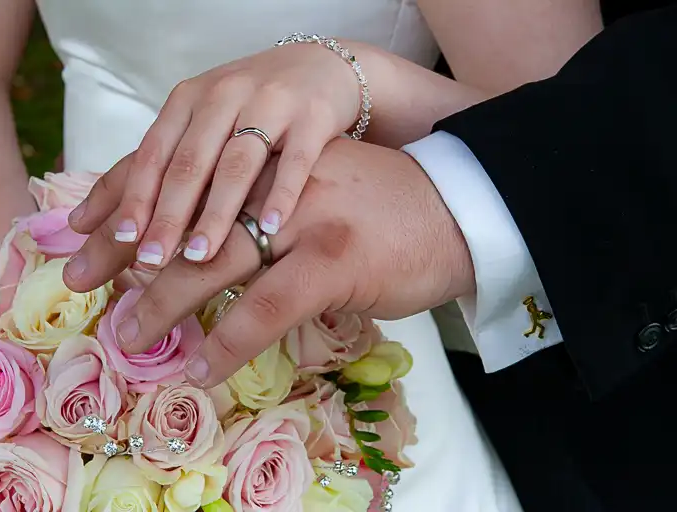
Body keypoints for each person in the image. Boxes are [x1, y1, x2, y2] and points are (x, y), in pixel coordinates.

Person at [0, 0, 603, 510]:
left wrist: (361, 83)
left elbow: (568, 145)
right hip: (67, 328)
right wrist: (26, 303)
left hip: (324, 345)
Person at [67, 4, 677, 511]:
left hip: (340, 302)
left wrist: (372, 88)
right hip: (81, 295)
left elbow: (561, 127)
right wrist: (10, 305)